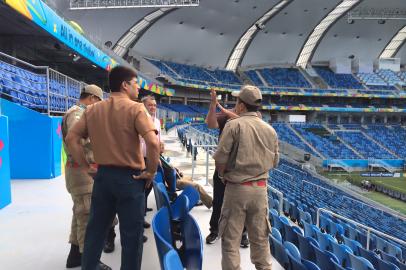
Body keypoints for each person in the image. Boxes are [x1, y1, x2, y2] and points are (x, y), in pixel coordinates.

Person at [65, 66, 160, 270]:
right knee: (131, 237)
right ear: (125, 85)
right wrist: (151, 171)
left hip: (103, 177)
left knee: (95, 231)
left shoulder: (92, 110)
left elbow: (72, 138)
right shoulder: (136, 108)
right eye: (136, 84)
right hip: (130, 179)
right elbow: (152, 143)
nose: (138, 89)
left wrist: (87, 167)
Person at [213, 85, 279, 270]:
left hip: (237, 189)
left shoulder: (234, 125)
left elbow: (221, 159)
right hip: (260, 190)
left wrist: (222, 175)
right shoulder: (270, 129)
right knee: (260, 240)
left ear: (241, 106)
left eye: (237, 101)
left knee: (230, 241)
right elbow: (275, 161)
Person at [61, 85, 112, 270]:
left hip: (80, 171)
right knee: (86, 216)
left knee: (79, 213)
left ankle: (74, 256)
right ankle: (88, 260)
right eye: (97, 102)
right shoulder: (77, 114)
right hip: (81, 172)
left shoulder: (79, 112)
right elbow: (76, 140)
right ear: (91, 98)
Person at [205, 89, 249, 248]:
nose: (237, 102)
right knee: (218, 201)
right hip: (223, 167)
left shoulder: (253, 117)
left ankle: (243, 233)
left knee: (241, 204)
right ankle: (215, 229)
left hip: (243, 169)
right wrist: (212, 105)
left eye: (239, 100)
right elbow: (210, 124)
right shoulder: (227, 114)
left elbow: (244, 123)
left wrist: (222, 109)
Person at [160, 143, 213, 209]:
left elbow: (171, 169)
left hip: (176, 178)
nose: (163, 148)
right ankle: (211, 203)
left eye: (163, 147)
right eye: (161, 147)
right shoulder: (160, 159)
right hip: (175, 181)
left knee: (190, 179)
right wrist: (175, 170)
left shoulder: (161, 157)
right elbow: (170, 169)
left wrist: (177, 171)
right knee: (197, 186)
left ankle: (193, 199)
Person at [140, 95, 161, 234]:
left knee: (147, 189)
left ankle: (141, 213)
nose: (153, 107)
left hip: (152, 158)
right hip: (141, 158)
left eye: (154, 105)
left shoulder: (157, 121)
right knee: (141, 189)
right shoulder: (141, 119)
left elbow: (158, 139)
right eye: (150, 105)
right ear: (144, 106)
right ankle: (139, 219)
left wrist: (158, 154)